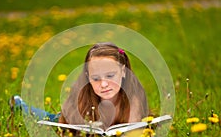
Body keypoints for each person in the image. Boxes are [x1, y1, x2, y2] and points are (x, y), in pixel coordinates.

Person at [11, 42, 149, 130]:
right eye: (96, 78)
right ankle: (19, 104)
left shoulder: (133, 96)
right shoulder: (83, 97)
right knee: (44, 117)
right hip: (64, 120)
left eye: (110, 76)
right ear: (88, 77)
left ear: (123, 71)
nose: (104, 84)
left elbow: (133, 131)